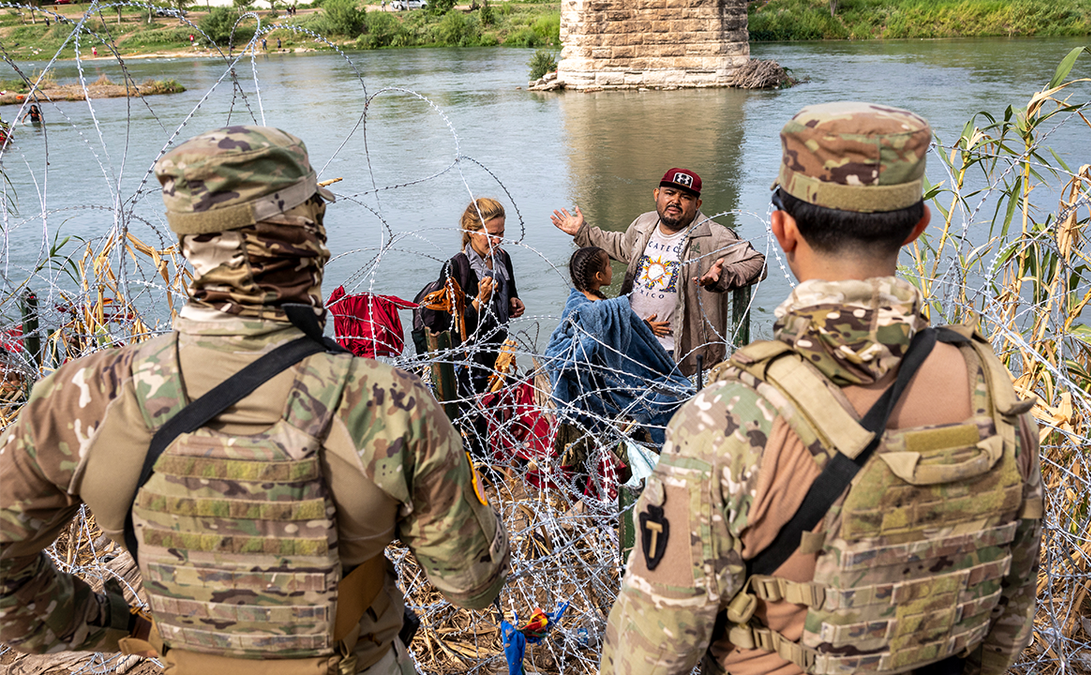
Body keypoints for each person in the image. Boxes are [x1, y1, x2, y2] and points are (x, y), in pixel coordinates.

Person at [0, 126, 510, 675]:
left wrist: (120, 627)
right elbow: (471, 583)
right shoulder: (384, 402)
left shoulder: (85, 396)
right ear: (306, 236)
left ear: (187, 243)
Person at [600, 102, 1044, 675]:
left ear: (782, 229)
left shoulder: (728, 417)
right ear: (917, 226)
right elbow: (1009, 618)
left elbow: (649, 652)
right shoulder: (992, 393)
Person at [551, 168, 765, 377]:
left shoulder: (713, 236)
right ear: (657, 194)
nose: (675, 201)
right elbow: (623, 247)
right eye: (669, 193)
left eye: (685, 197)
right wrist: (582, 232)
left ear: (697, 204)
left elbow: (757, 262)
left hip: (682, 354)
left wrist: (723, 277)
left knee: (674, 409)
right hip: (633, 340)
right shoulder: (644, 223)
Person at [544, 246, 691, 447]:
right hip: (610, 384)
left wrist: (642, 326)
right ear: (598, 275)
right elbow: (616, 346)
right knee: (668, 397)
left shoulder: (578, 303)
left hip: (601, 381)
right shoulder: (601, 311)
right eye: (609, 266)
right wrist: (641, 329)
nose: (612, 270)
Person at [430, 197, 525, 397]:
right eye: (491, 235)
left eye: (501, 233)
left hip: (499, 356)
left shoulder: (503, 259)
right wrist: (479, 301)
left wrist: (514, 303)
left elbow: (511, 294)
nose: (498, 240)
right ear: (471, 231)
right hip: (470, 365)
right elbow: (453, 327)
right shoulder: (456, 268)